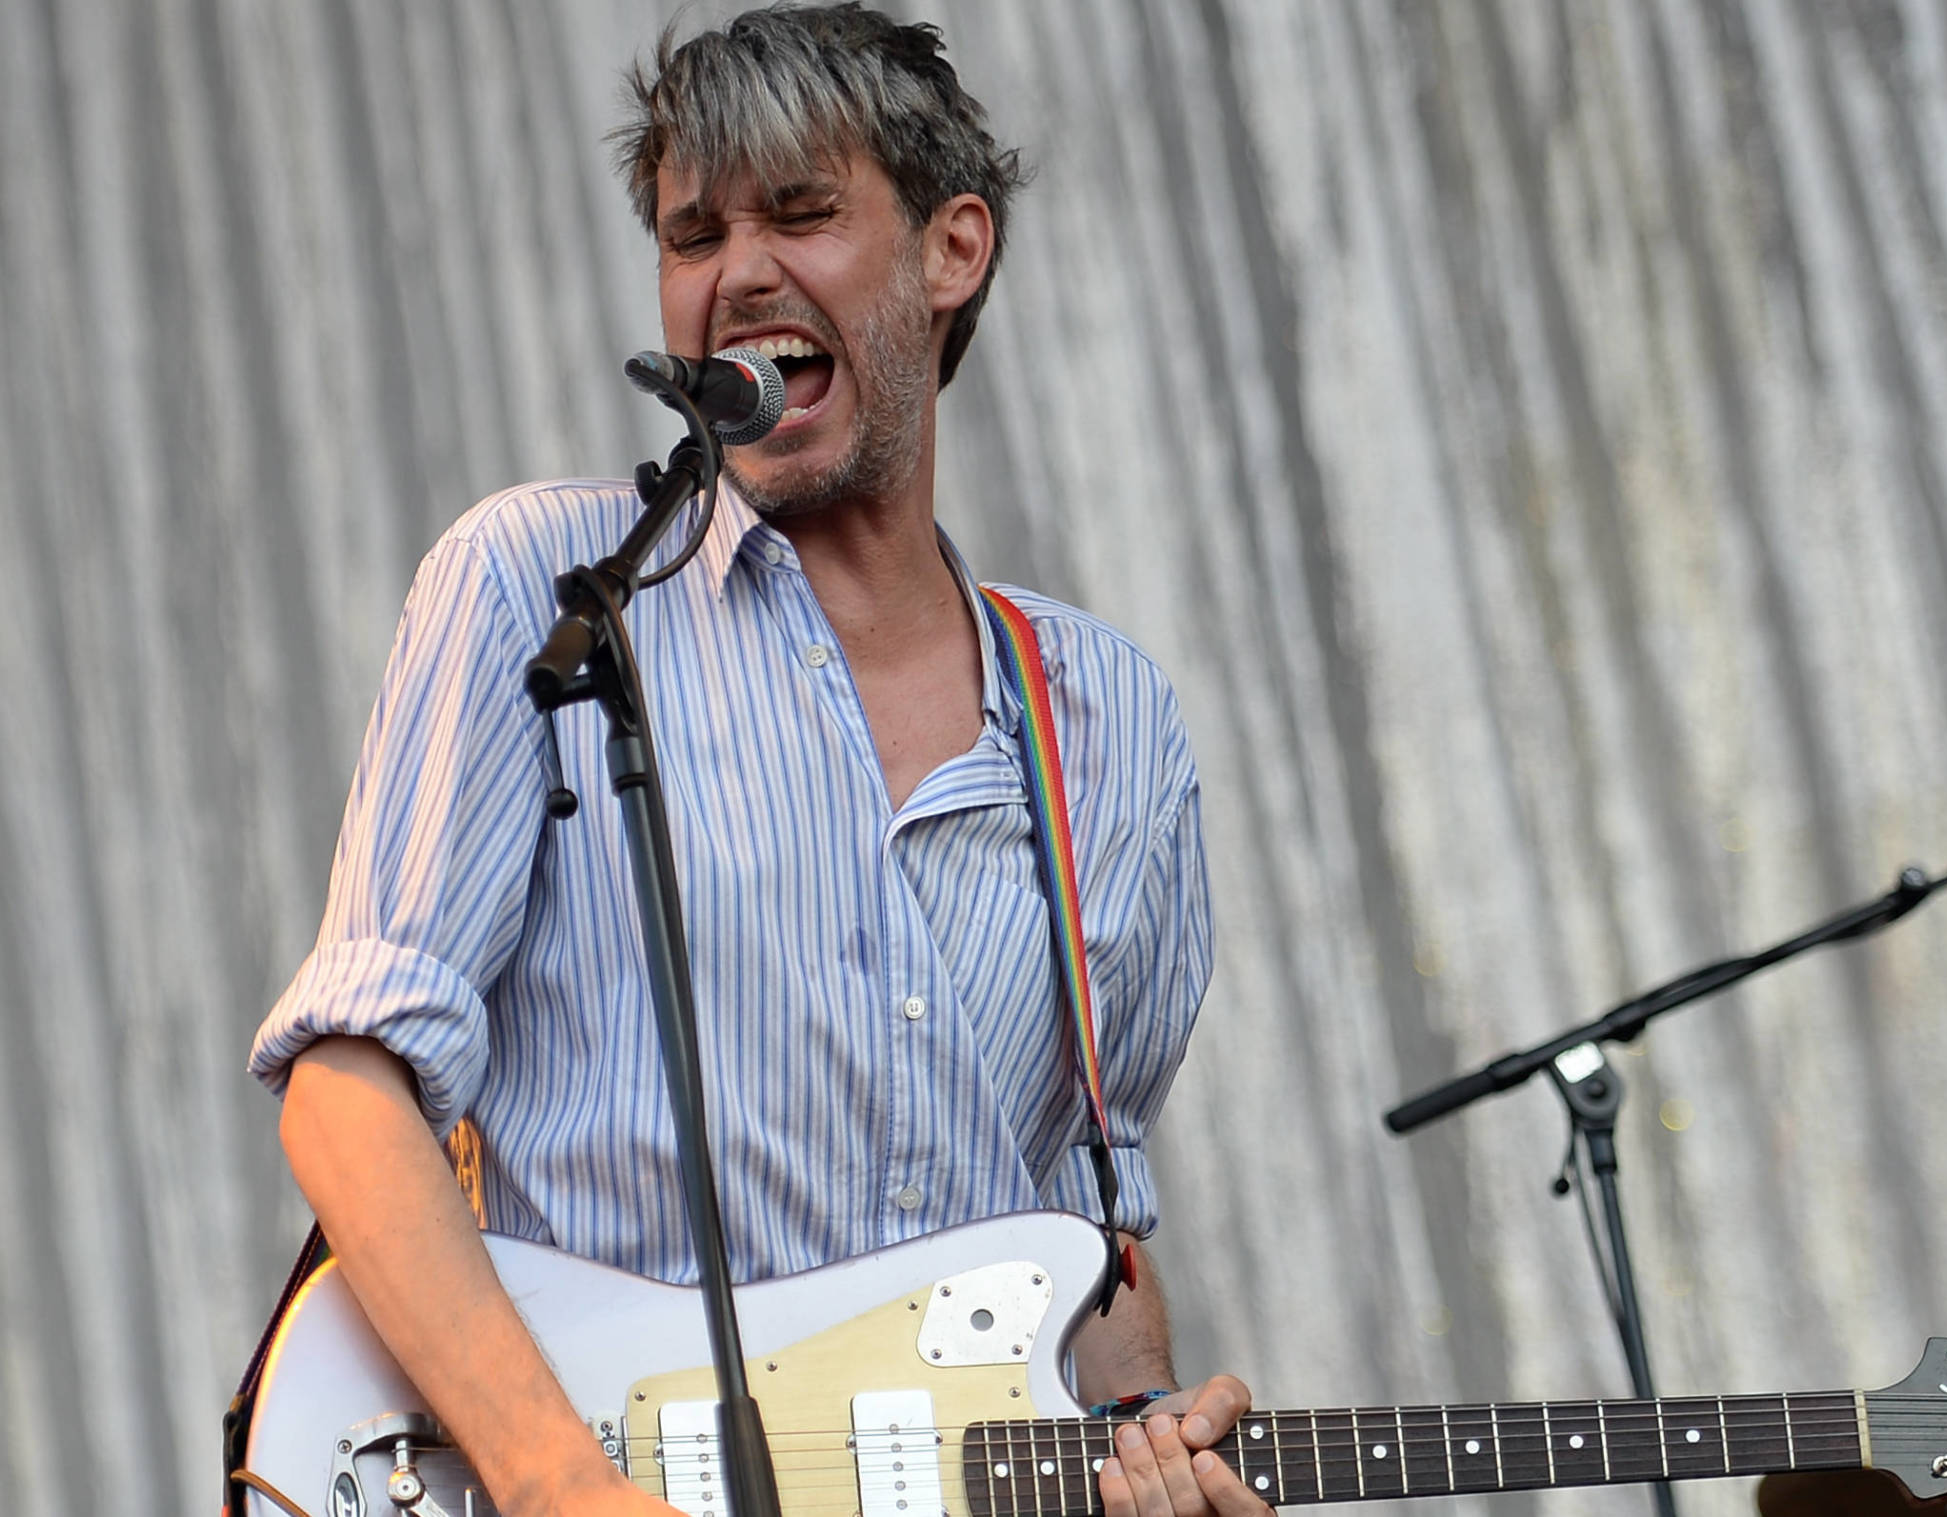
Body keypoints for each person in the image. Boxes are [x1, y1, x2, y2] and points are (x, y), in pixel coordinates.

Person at [248, 9, 1269, 1517]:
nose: (736, 274)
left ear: (952, 249)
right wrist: (556, 1487)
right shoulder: (541, 586)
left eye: (800, 211)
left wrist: (1148, 1444)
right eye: (693, 233)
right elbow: (347, 1088)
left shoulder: (1109, 722)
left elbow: (1083, 1234)